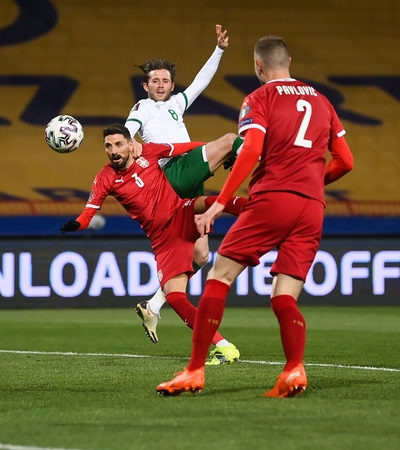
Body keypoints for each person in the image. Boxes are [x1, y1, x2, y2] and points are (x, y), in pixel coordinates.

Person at [156, 36, 354, 397]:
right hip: (311, 207)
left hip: (272, 199)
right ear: (289, 61)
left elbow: (250, 150)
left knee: (219, 276)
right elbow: (346, 161)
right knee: (284, 296)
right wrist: (310, 183)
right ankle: (294, 369)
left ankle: (195, 371)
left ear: (258, 66)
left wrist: (220, 202)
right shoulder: (323, 101)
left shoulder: (259, 98)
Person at [61, 124, 247, 363]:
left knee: (210, 202)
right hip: (164, 238)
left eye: (118, 144)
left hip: (181, 211)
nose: (113, 150)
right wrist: (77, 224)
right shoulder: (105, 177)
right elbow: (89, 211)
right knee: (176, 296)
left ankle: (258, 208)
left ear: (130, 144)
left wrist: (225, 152)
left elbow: (185, 148)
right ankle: (224, 346)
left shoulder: (149, 152)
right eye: (108, 146)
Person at [125, 24, 242, 364]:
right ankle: (262, 154)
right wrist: (130, 141)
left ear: (172, 85)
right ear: (145, 86)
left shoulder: (178, 102)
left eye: (165, 81)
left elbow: (202, 82)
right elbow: (129, 130)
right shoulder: (142, 109)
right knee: (226, 140)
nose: (160, 85)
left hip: (190, 184)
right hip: (174, 173)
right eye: (154, 81)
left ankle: (153, 305)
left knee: (202, 256)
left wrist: (219, 50)